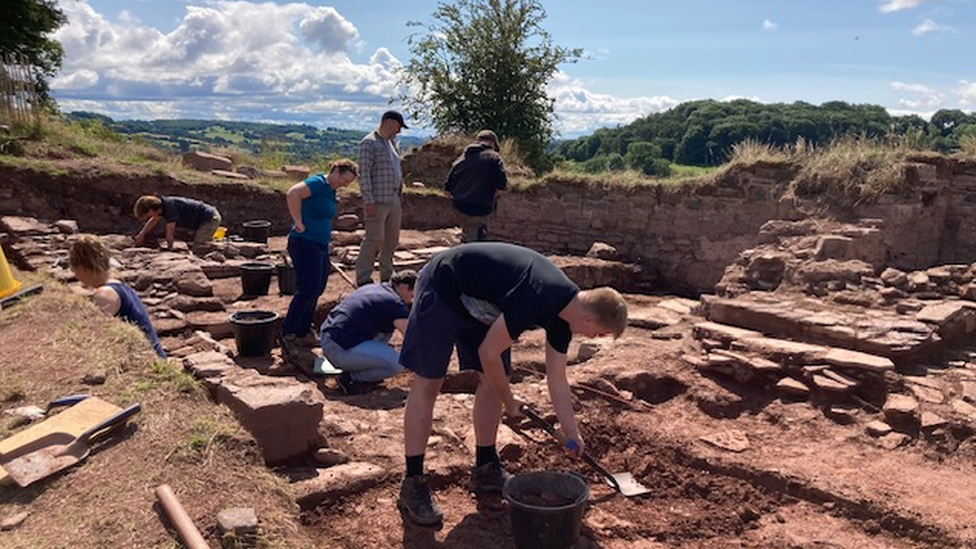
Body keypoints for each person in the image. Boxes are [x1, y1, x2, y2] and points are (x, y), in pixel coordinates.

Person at [396, 242, 629, 525]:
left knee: (495, 379)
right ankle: (413, 482)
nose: (594, 339)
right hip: (445, 284)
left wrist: (571, 432)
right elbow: (487, 352)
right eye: (599, 334)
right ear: (589, 318)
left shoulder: (564, 318)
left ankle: (485, 467)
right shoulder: (538, 293)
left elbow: (557, 379)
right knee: (430, 381)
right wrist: (510, 402)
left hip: (483, 301)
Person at [281, 158, 359, 350]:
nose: (344, 185)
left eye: (348, 183)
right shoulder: (317, 183)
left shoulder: (330, 190)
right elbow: (293, 193)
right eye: (344, 180)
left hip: (319, 244)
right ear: (336, 171)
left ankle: (303, 331)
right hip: (304, 241)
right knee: (308, 287)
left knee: (317, 287)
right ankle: (288, 333)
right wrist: (297, 221)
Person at [319, 269, 417, 395]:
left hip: (329, 340)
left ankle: (362, 368)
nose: (412, 300)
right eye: (412, 295)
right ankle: (350, 379)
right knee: (397, 363)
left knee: (386, 331)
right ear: (404, 288)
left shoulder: (377, 288)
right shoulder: (395, 303)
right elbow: (412, 337)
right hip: (339, 349)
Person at [68, 234, 166, 358]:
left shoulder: (104, 295)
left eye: (74, 270)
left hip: (146, 359)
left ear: (81, 268)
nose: (76, 276)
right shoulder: (119, 285)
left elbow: (96, 337)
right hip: (153, 354)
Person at [354, 110, 407, 287]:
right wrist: (368, 199)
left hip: (393, 197)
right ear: (389, 123)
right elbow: (364, 173)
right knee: (374, 238)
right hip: (377, 199)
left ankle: (387, 274)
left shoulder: (391, 143)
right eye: (398, 127)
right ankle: (363, 276)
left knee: (392, 240)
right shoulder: (369, 143)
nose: (398, 132)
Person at [445, 130, 508, 242]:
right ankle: (468, 256)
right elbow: (501, 187)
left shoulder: (462, 158)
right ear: (493, 143)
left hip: (459, 207)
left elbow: (447, 190)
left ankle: (464, 244)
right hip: (480, 208)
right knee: (476, 241)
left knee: (468, 233)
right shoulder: (494, 158)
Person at [133, 195, 221, 253]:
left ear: (151, 209)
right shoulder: (162, 207)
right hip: (202, 219)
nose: (147, 216)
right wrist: (142, 234)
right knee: (199, 244)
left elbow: (170, 234)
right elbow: (154, 220)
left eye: (147, 214)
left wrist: (169, 250)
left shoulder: (170, 208)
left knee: (199, 248)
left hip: (210, 218)